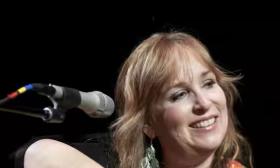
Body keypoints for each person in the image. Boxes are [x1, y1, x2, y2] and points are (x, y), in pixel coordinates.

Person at [23, 32, 253, 168]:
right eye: (179, 94)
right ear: (148, 124)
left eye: (208, 83)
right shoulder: (120, 158)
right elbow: (39, 156)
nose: (204, 103)